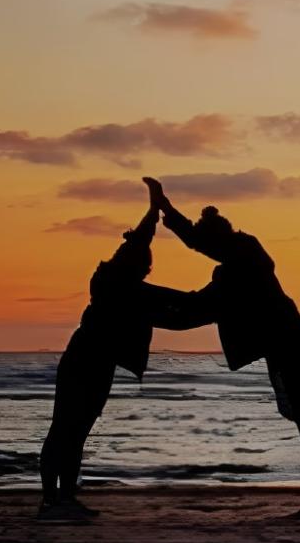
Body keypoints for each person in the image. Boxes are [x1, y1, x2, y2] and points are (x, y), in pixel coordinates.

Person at [145, 177, 300, 518]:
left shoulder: (235, 274)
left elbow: (193, 309)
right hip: (292, 338)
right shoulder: (249, 249)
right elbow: (200, 242)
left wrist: (142, 301)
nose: (203, 251)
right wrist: (168, 210)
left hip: (286, 344)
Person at [36, 204, 197, 521]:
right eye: (145, 270)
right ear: (138, 270)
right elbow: (183, 307)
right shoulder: (133, 291)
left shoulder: (106, 278)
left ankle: (57, 499)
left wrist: (152, 212)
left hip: (80, 359)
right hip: (91, 366)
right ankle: (57, 500)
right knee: (71, 432)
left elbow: (137, 243)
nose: (146, 273)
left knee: (65, 430)